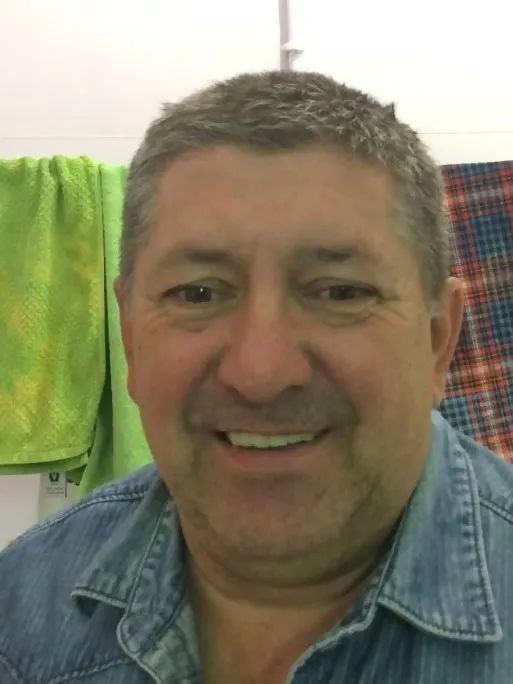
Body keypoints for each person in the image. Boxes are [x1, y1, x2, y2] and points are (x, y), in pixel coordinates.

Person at [1, 71, 512, 684]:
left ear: (437, 340)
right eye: (198, 293)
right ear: (132, 338)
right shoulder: (19, 612)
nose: (261, 373)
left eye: (340, 292)